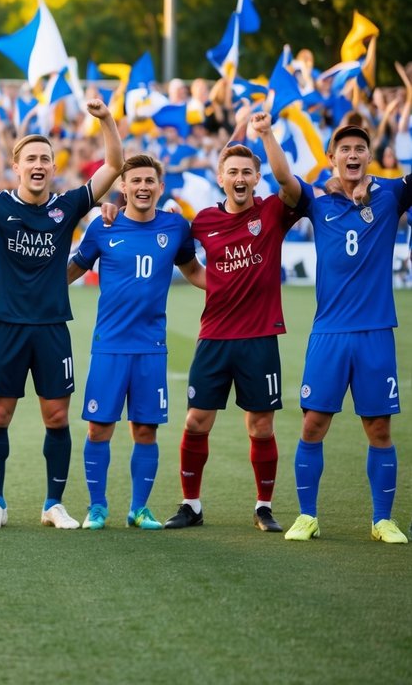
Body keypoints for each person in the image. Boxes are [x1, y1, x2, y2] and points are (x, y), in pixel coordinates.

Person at [0, 99, 122, 530]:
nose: (38, 165)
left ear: (52, 167)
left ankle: (53, 504)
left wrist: (105, 119)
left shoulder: (67, 206)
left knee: (56, 418)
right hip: (7, 328)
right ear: (16, 165)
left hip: (51, 329)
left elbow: (113, 166)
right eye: (30, 158)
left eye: (45, 159)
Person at [164, 113, 303, 532]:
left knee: (260, 425)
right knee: (196, 421)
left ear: (257, 178)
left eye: (247, 171)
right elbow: (189, 267)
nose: (240, 177)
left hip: (259, 337)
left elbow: (289, 180)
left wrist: (264, 134)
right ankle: (191, 505)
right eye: (233, 172)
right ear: (221, 178)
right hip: (214, 337)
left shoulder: (275, 211)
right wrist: (219, 284)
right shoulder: (203, 220)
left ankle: (263, 506)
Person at [285, 125, 411, 543]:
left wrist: (372, 186)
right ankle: (307, 517)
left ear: (369, 157)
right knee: (313, 424)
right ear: (331, 156)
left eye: (360, 148)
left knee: (378, 429)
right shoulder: (317, 204)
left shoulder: (391, 194)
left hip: (375, 332)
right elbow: (286, 179)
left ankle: (382, 520)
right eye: (345, 149)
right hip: (329, 334)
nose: (353, 154)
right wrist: (266, 133)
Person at [66, 155, 204, 530]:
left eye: (150, 181)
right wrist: (32, 289)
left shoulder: (176, 227)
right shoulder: (102, 227)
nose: (143, 187)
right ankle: (97, 508)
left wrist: (232, 289)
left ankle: (139, 509)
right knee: (99, 429)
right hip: (109, 345)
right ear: (122, 187)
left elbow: (193, 270)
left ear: (160, 187)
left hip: (151, 348)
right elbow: (72, 271)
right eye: (135, 181)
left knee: (145, 429)